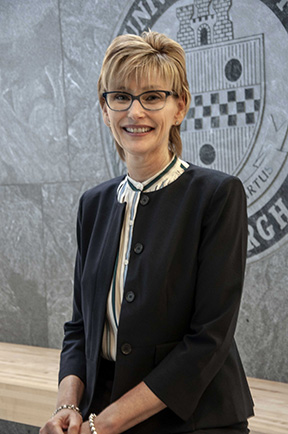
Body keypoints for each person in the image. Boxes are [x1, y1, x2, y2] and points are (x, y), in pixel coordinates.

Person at [40, 31, 254, 434]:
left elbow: (209, 338)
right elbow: (80, 326)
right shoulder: (94, 204)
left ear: (179, 107)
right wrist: (67, 404)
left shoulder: (217, 195)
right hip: (101, 409)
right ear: (105, 110)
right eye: (120, 97)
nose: (134, 112)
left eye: (152, 97)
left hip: (194, 420)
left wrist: (105, 424)